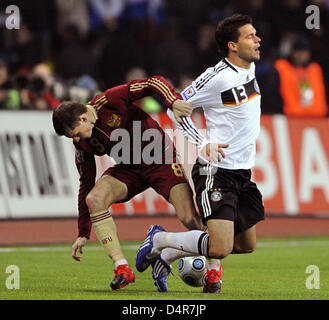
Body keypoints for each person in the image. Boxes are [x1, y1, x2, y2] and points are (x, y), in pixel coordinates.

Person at [136, 13, 265, 293]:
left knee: (246, 246)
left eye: (256, 34)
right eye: (250, 36)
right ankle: (158, 239)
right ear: (233, 45)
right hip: (215, 171)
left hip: (242, 171)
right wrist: (201, 142)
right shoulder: (216, 77)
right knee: (220, 247)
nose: (258, 39)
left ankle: (168, 253)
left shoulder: (250, 69)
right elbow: (177, 106)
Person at [52, 75, 205, 290]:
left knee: (189, 217)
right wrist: (83, 232)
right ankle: (122, 268)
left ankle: (208, 266)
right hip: (129, 170)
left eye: (75, 134)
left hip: (160, 159)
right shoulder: (83, 145)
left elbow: (152, 83)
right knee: (94, 198)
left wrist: (173, 100)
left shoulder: (110, 100)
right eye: (72, 138)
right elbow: (86, 182)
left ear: (84, 118)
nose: (76, 140)